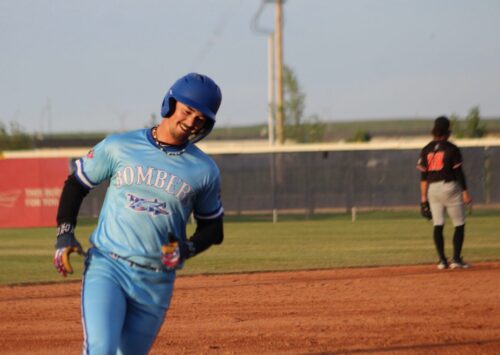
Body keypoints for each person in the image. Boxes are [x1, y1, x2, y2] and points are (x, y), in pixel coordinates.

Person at [53, 72, 224, 354]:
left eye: (200, 118)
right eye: (188, 110)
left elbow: (213, 229)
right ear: (171, 104)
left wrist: (188, 248)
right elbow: (76, 184)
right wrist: (65, 233)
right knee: (101, 349)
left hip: (156, 281)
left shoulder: (204, 170)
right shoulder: (120, 146)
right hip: (109, 266)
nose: (192, 121)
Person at [416, 116, 472, 270]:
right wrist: (465, 192)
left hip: (432, 190)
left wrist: (423, 199)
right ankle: (456, 260)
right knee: (459, 224)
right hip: (450, 188)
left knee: (438, 224)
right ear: (447, 130)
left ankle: (442, 261)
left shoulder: (426, 149)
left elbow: (423, 177)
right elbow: (459, 173)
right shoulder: (451, 148)